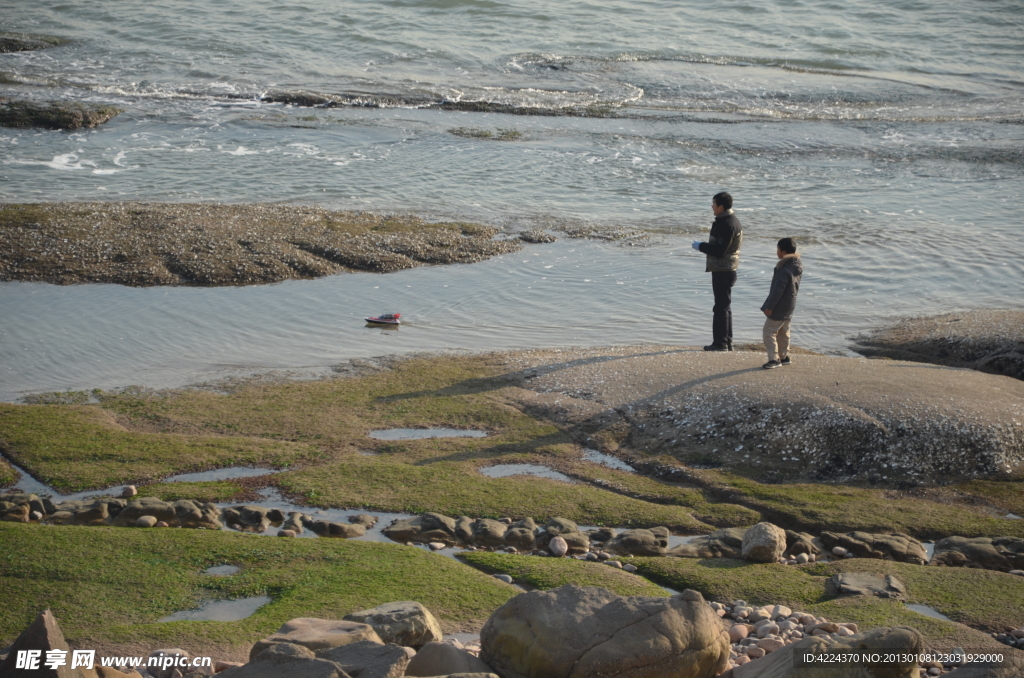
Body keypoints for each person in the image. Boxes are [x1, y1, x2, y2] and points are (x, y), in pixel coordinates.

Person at [692, 192, 742, 351]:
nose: (711, 206)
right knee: (724, 306)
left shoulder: (728, 224)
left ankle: (720, 343)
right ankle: (727, 342)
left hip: (724, 269)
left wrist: (701, 246)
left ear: (721, 207)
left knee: (721, 307)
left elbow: (720, 251)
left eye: (713, 203)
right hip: (724, 268)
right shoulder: (727, 220)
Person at [760, 237, 803, 369]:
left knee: (769, 331)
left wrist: (769, 307)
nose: (776, 252)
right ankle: (784, 356)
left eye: (778, 250)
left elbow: (777, 292)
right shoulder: (796, 266)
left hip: (780, 305)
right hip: (790, 304)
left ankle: (774, 359)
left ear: (783, 252)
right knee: (784, 331)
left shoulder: (784, 270)